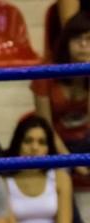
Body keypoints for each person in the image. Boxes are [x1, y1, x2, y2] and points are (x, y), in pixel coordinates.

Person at [33, 12, 90, 156]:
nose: (83, 44)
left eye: (89, 39)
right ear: (66, 42)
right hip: (55, 144)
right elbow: (46, 127)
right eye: (77, 38)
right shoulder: (45, 73)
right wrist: (71, 161)